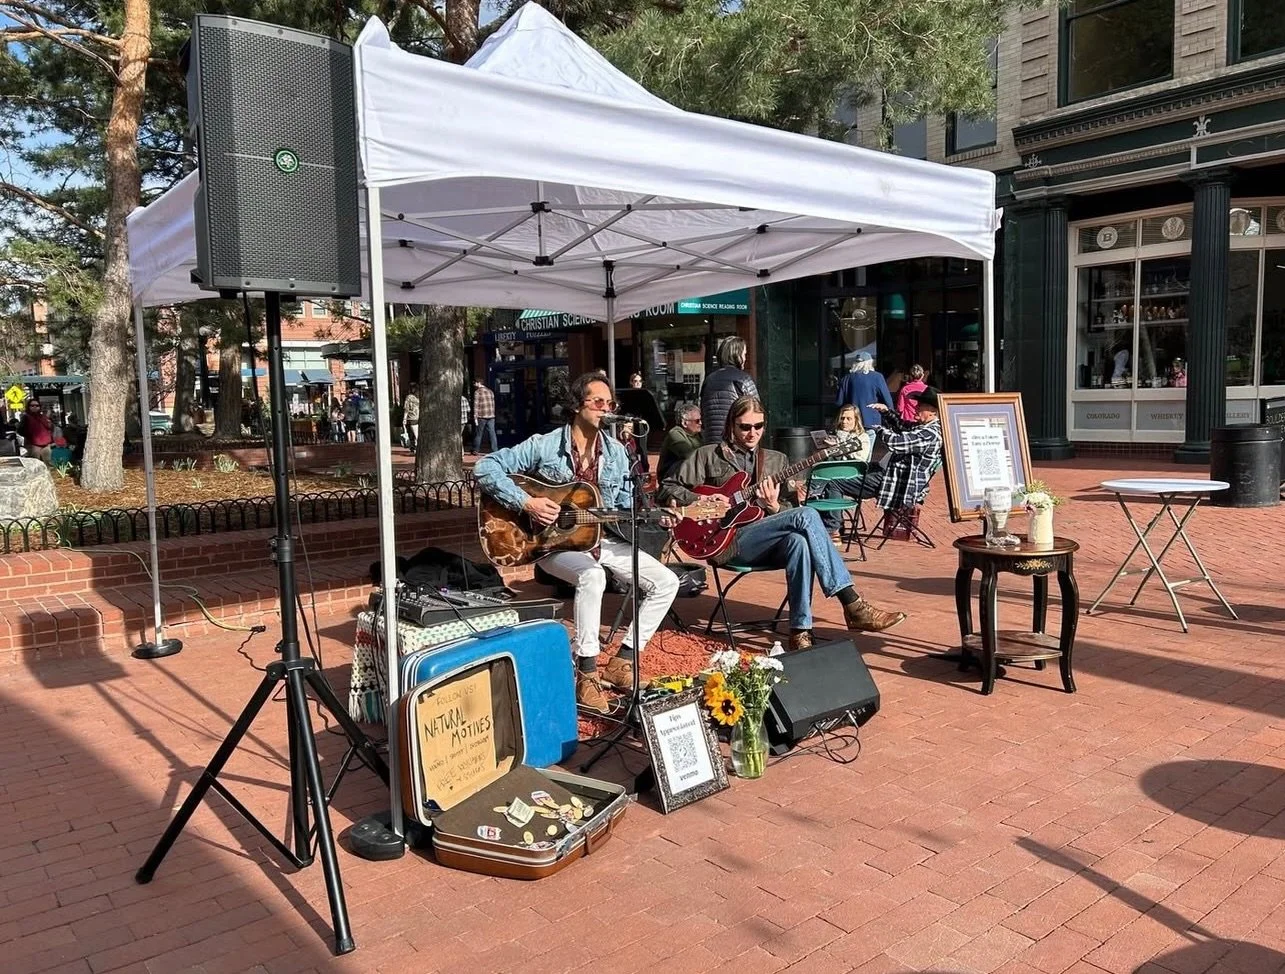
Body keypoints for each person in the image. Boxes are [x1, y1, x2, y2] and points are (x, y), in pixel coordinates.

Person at [473, 372, 682, 713]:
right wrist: (528, 504)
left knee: (666, 581)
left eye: (610, 404)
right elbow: (485, 468)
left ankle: (623, 661)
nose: (606, 409)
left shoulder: (616, 454)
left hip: (600, 540)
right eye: (598, 402)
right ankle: (586, 674)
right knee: (592, 576)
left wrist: (657, 514)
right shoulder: (545, 445)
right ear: (576, 406)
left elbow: (625, 508)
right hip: (548, 545)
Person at [659, 395, 906, 653]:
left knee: (798, 541)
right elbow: (667, 488)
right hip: (724, 539)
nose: (752, 433)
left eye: (759, 426)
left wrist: (774, 507)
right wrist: (704, 498)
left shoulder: (776, 460)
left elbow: (789, 512)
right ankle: (852, 603)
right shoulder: (708, 455)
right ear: (731, 425)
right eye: (745, 427)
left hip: (766, 540)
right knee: (808, 515)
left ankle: (800, 631)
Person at [861, 386, 945, 515]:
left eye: (920, 406)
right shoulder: (923, 427)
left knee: (837, 483)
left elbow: (896, 443)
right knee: (861, 469)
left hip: (902, 483)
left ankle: (833, 529)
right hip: (893, 474)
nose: (916, 408)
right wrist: (886, 412)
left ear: (932, 411)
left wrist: (879, 430)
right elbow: (903, 426)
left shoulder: (930, 433)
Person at [808, 404, 873, 540]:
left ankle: (833, 528)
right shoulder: (834, 436)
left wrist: (839, 448)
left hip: (851, 476)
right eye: (842, 418)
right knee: (816, 479)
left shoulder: (863, 438)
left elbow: (860, 460)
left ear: (856, 420)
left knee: (827, 483)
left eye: (849, 419)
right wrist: (823, 448)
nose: (844, 422)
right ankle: (819, 524)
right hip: (831, 475)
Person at [699, 336, 758, 446]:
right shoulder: (743, 379)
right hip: (736, 445)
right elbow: (757, 412)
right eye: (744, 354)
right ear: (737, 355)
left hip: (711, 445)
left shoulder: (709, 380)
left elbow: (703, 414)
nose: (745, 358)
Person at [836, 351, 894, 429]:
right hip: (871, 422)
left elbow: (839, 402)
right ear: (870, 363)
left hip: (852, 422)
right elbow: (887, 399)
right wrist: (891, 416)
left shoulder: (846, 378)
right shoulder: (877, 377)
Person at [657, 402, 702, 480]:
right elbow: (688, 455)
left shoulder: (699, 434)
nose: (701, 423)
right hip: (671, 479)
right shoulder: (675, 433)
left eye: (701, 419)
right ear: (684, 423)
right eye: (697, 421)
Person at [17, 400, 54, 465]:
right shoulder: (26, 417)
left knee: (47, 463)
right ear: (29, 407)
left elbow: (50, 428)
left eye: (37, 406)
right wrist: (31, 437)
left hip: (46, 444)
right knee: (36, 464)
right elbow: (20, 430)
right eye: (32, 405)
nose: (35, 407)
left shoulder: (43, 417)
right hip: (33, 445)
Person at [472, 379, 498, 454]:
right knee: (492, 433)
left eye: (475, 383)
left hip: (481, 415)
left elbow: (476, 404)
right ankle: (495, 449)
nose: (474, 385)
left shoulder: (477, 392)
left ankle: (476, 450)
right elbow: (493, 404)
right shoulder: (490, 391)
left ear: (479, 383)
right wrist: (493, 413)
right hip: (491, 415)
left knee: (479, 433)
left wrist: (475, 415)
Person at [402, 384, 420, 451]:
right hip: (415, 417)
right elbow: (406, 409)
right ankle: (415, 447)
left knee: (416, 435)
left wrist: (404, 419)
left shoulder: (410, 397)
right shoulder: (413, 397)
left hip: (414, 418)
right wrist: (404, 419)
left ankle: (415, 447)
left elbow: (406, 409)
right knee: (416, 434)